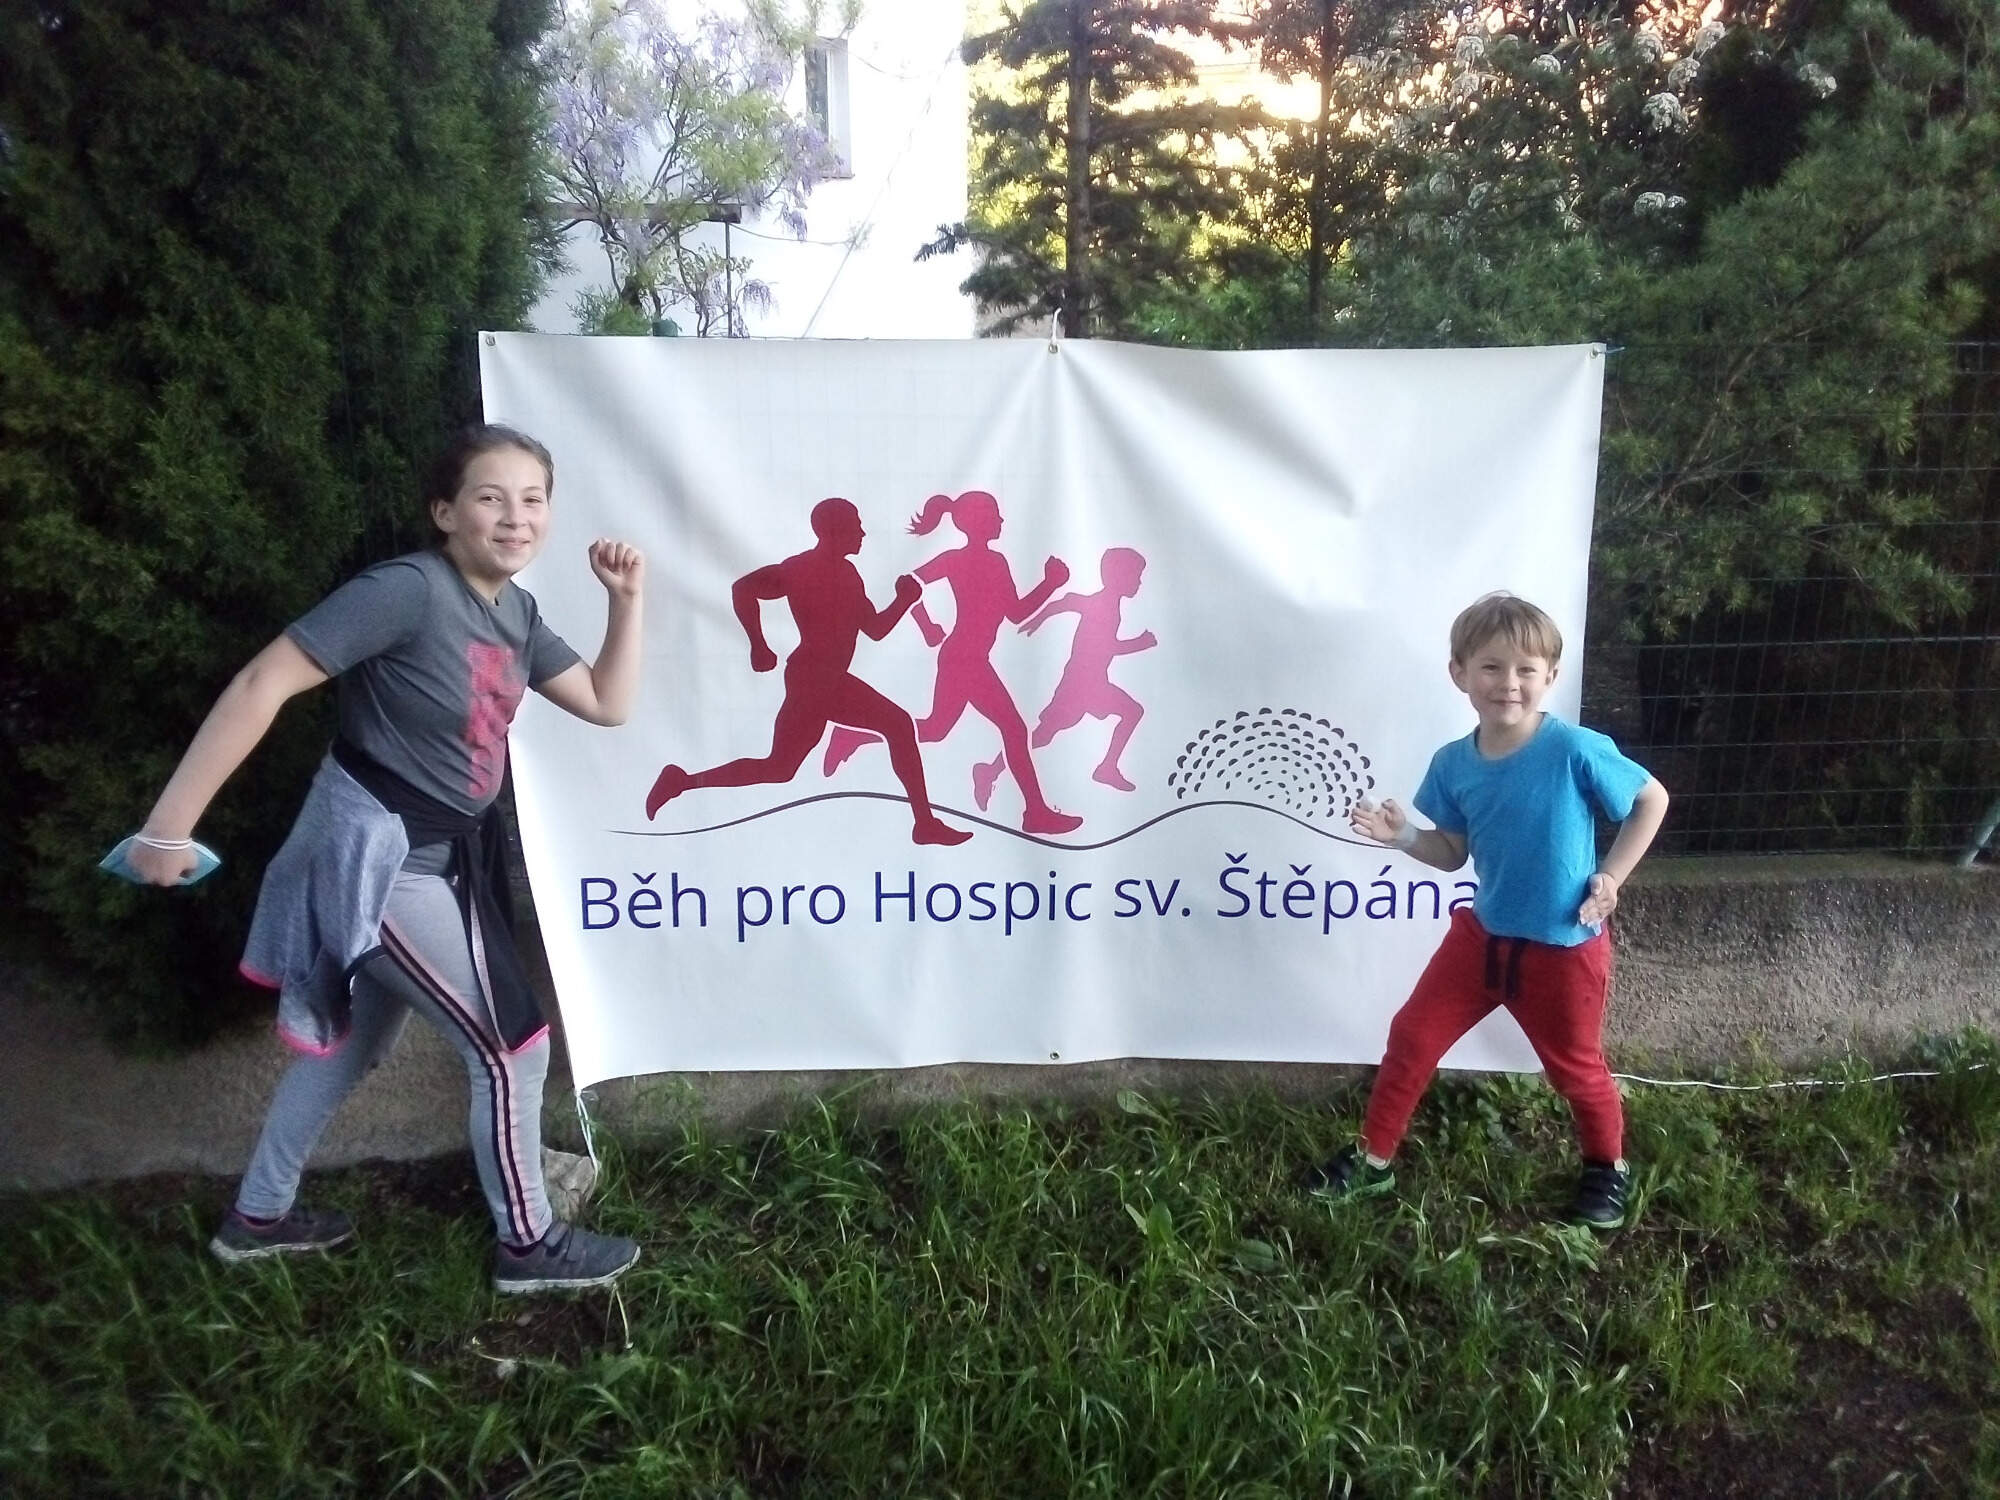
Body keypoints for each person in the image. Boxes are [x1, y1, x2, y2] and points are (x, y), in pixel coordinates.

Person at [124, 424, 647, 1293]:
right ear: (444, 512)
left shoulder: (515, 612)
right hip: (385, 860)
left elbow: (605, 701)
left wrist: (625, 601)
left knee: (353, 1043)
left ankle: (258, 1217)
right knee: (510, 1050)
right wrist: (167, 828)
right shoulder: (407, 590)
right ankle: (528, 1246)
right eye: (490, 497)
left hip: (440, 862)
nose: (515, 517)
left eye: (533, 500)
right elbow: (263, 682)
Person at [1303, 593, 1669, 1229]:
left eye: (1527, 669)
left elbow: (1651, 800)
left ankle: (1607, 1168)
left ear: (1551, 676)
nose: (1509, 683)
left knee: (1575, 1068)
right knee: (1412, 1036)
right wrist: (1403, 837)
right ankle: (1374, 1158)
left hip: (1564, 947)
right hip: (1482, 940)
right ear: (1460, 673)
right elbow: (1451, 855)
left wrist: (1611, 877)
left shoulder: (1574, 749)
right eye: (1492, 667)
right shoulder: (1452, 763)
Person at [644, 496, 970, 846]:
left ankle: (682, 782)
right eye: (856, 526)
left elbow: (874, 629)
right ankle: (924, 823)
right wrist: (758, 644)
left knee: (779, 768)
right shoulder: (799, 569)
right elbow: (744, 589)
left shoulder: (849, 575)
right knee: (898, 725)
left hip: (819, 680)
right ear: (835, 531)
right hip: (815, 679)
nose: (862, 533)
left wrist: (904, 601)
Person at [822, 490, 1081, 835]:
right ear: (978, 522)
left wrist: (1050, 585)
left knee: (936, 729)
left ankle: (852, 736)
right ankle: (1035, 812)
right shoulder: (959, 560)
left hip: (967, 658)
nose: (1002, 520)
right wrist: (927, 625)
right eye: (995, 515)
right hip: (964, 659)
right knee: (1013, 729)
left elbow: (1015, 612)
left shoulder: (995, 562)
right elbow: (907, 584)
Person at [973, 545, 1156, 805]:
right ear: (1117, 576)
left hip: (1093, 684)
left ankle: (1107, 767)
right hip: (1079, 686)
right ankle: (990, 771)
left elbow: (1068, 602)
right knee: (1044, 735)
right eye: (1135, 575)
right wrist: (1139, 643)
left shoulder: (1109, 605)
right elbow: (1102, 642)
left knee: (1130, 712)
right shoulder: (1103, 604)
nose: (1138, 582)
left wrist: (1041, 618)